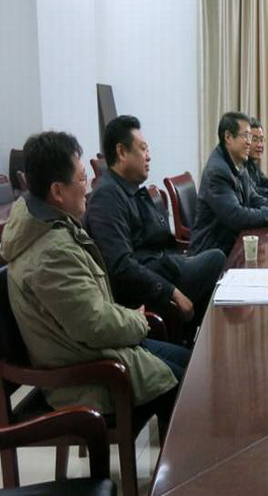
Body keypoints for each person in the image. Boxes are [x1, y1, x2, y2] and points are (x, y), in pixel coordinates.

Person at [0, 131, 188, 434]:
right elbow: (94, 324)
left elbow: (91, 312)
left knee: (191, 366)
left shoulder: (50, 225)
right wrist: (137, 321)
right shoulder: (51, 253)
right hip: (86, 378)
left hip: (96, 352)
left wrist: (129, 319)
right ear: (58, 191)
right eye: (83, 179)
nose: (87, 188)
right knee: (192, 393)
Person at [85, 116, 226, 334]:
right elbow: (121, 266)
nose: (148, 156)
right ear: (121, 152)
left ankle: (199, 334)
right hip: (147, 288)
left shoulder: (127, 188)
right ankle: (198, 336)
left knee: (216, 261)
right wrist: (172, 292)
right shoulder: (107, 197)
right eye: (143, 149)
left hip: (164, 267)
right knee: (216, 259)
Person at [190, 111, 268, 255]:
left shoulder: (238, 162)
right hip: (213, 252)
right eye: (245, 136)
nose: (249, 142)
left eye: (250, 137)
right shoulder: (217, 172)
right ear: (228, 137)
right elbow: (236, 216)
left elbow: (253, 198)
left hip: (232, 243)